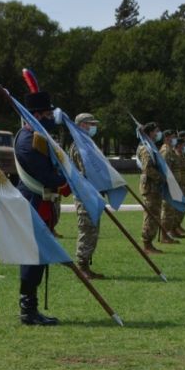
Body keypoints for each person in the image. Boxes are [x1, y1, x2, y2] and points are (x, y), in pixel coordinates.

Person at [14, 90, 70, 326]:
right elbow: (45, 174)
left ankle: (32, 308)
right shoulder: (28, 141)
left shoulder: (39, 136)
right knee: (33, 257)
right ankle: (28, 310)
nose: (50, 117)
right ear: (35, 114)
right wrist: (66, 182)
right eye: (46, 113)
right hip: (33, 203)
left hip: (42, 203)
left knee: (40, 256)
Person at [68, 112, 104, 279]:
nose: (93, 127)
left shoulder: (87, 144)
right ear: (81, 125)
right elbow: (87, 173)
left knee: (93, 229)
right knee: (86, 229)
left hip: (92, 193)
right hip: (85, 195)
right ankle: (82, 266)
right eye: (90, 124)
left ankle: (86, 265)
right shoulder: (79, 146)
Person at [136, 122, 165, 254]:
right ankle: (147, 244)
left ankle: (149, 242)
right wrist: (161, 177)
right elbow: (147, 168)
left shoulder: (151, 147)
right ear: (149, 133)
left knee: (155, 214)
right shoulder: (145, 148)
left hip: (154, 186)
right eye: (156, 131)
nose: (158, 133)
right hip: (150, 186)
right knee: (151, 215)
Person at [159, 129, 184, 242]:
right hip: (168, 185)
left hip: (173, 185)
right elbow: (164, 170)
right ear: (166, 138)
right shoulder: (165, 151)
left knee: (171, 211)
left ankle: (168, 234)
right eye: (173, 137)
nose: (174, 139)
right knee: (167, 211)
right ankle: (164, 236)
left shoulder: (170, 151)